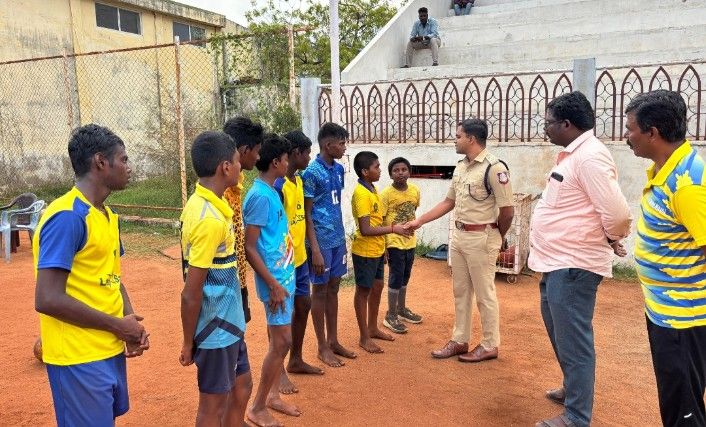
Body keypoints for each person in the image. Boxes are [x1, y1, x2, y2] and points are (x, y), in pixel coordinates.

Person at [33, 124, 149, 426]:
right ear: (100, 162)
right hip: (77, 356)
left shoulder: (106, 216)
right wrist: (119, 327)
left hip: (107, 348)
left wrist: (130, 323)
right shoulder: (68, 217)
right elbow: (47, 298)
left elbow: (113, 277)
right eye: (123, 159)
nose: (129, 167)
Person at [528, 91, 632, 427]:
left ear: (567, 124)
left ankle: (576, 416)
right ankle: (573, 389)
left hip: (573, 264)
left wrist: (612, 236)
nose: (545, 128)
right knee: (560, 333)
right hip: (555, 261)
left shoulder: (590, 157)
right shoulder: (574, 156)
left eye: (548, 122)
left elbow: (617, 214)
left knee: (574, 341)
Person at [626, 90, 706, 427]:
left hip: (683, 319)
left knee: (682, 409)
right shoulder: (666, 171)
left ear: (652, 133)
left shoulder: (686, 185)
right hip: (664, 310)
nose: (626, 136)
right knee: (675, 399)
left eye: (630, 128)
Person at [405, 118, 514, 363]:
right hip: (460, 236)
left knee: (485, 294)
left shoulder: (494, 168)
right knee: (461, 292)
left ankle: (489, 344)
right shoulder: (461, 167)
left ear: (471, 139)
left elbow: (507, 211)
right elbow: (449, 202)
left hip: (482, 238)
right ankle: (460, 339)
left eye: (458, 136)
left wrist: (497, 236)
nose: (454, 140)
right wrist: (419, 221)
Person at [179, 131, 251, 426]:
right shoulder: (208, 218)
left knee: (242, 386)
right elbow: (190, 292)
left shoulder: (212, 205)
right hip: (215, 329)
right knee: (212, 406)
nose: (241, 168)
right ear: (225, 167)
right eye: (237, 162)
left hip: (229, 322)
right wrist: (188, 342)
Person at [243, 134, 300, 426]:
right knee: (282, 342)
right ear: (276, 162)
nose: (289, 164)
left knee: (281, 341)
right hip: (275, 283)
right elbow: (250, 247)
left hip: (283, 278)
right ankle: (257, 406)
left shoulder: (271, 191)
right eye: (286, 159)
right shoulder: (259, 197)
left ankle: (273, 396)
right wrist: (274, 285)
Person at [301, 122, 357, 367]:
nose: (344, 148)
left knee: (334, 287)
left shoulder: (339, 169)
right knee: (320, 290)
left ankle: (333, 341)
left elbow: (334, 204)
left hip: (337, 238)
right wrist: (314, 249)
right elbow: (307, 213)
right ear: (327, 144)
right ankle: (322, 346)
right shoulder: (311, 173)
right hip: (320, 242)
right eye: (341, 143)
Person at [274, 130, 323, 395]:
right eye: (307, 153)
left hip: (301, 258)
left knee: (304, 305)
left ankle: (295, 359)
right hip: (283, 262)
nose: (310, 158)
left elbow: (304, 217)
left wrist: (314, 249)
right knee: (280, 314)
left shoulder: (299, 181)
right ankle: (278, 371)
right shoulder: (277, 186)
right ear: (296, 153)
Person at [351, 151, 412, 353]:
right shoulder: (361, 194)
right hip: (365, 251)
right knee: (363, 292)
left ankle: (372, 328)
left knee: (377, 287)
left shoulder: (372, 188)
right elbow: (366, 229)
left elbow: (377, 221)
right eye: (376, 167)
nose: (380, 170)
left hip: (377, 250)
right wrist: (393, 229)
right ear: (365, 171)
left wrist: (384, 246)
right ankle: (364, 337)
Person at [223, 116, 264, 324]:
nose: (258, 157)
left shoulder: (236, 183)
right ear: (245, 150)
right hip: (225, 284)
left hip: (238, 278)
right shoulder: (221, 191)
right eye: (257, 151)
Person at [381, 157, 423, 334]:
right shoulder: (386, 194)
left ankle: (401, 309)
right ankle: (390, 315)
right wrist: (384, 245)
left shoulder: (415, 190)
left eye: (404, 169)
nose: (400, 173)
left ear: (409, 172)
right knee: (396, 276)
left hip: (410, 241)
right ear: (390, 174)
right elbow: (381, 219)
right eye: (396, 170)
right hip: (394, 242)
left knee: (405, 275)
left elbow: (414, 211)